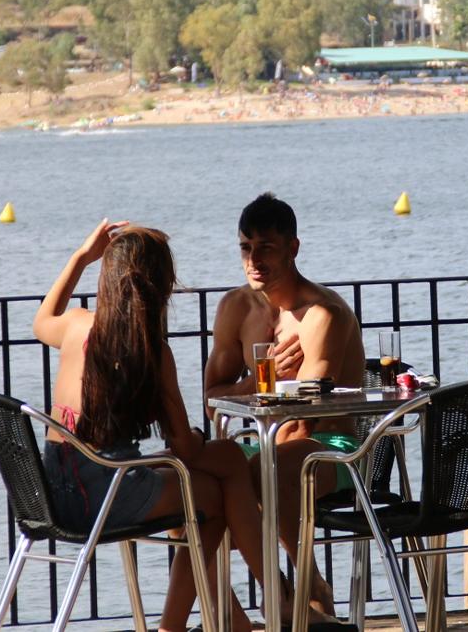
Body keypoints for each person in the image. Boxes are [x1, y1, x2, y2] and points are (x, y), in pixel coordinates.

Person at [34, 220, 287, 632]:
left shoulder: (76, 324)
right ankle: (225, 612)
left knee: (223, 463)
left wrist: (81, 257)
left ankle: (239, 619)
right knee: (211, 497)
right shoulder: (151, 350)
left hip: (52, 491)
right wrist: (197, 439)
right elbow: (186, 448)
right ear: (159, 287)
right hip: (104, 491)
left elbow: (41, 320)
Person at [204, 193, 365, 616]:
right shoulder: (235, 307)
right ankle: (246, 607)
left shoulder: (322, 314)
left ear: (293, 248)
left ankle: (310, 585)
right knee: (188, 479)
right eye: (246, 248)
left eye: (266, 247)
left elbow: (305, 415)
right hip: (263, 447)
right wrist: (261, 380)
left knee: (265, 470)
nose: (253, 260)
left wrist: (253, 390)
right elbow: (212, 400)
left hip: (332, 450)